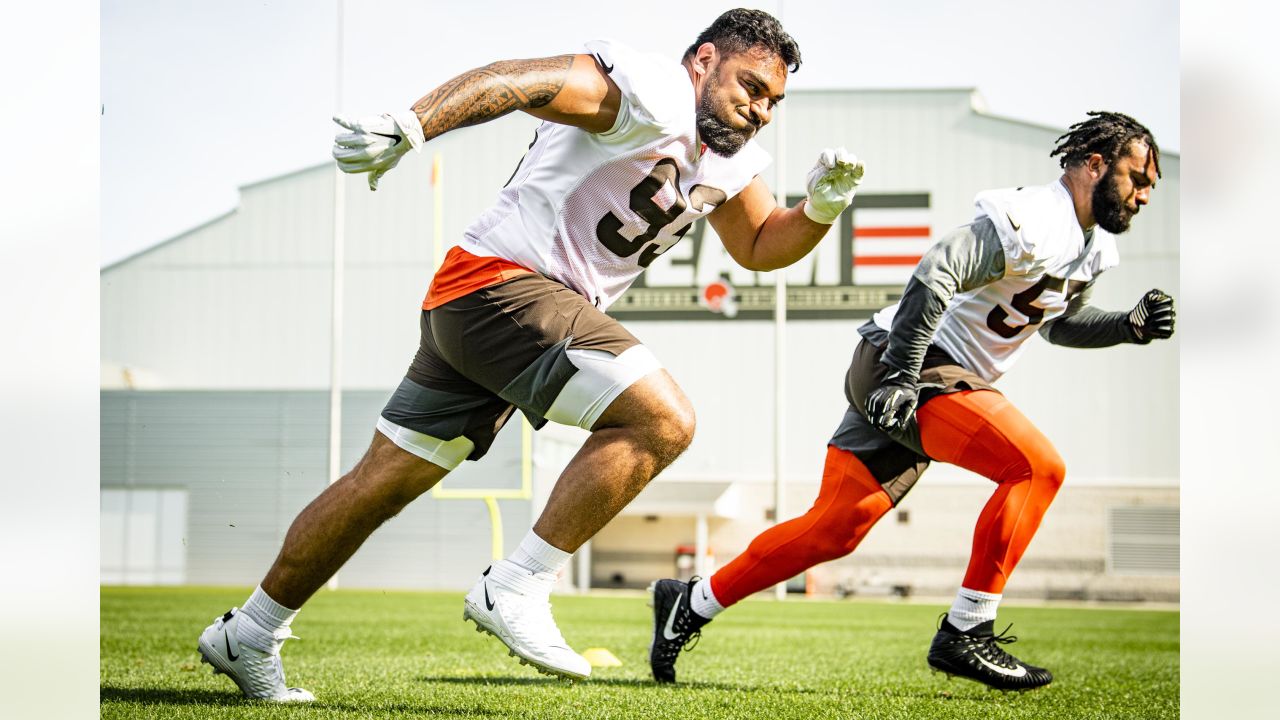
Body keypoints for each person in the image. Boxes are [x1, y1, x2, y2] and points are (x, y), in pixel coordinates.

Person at [196, 8, 865, 701]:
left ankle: (250, 632)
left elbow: (759, 246)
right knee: (662, 420)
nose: (757, 110)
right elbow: (514, 81)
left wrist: (820, 207)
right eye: (749, 86)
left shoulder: (726, 156)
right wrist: (415, 123)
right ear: (702, 62)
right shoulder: (653, 90)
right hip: (502, 288)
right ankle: (517, 586)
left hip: (494, 308)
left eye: (772, 101)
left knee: (380, 484)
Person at [647, 111, 1175, 691]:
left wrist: (1128, 325)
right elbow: (936, 271)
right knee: (1035, 467)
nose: (1146, 193)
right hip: (912, 364)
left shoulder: (1090, 248)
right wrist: (902, 373)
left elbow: (1057, 324)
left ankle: (690, 602)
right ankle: (966, 630)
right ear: (1094, 165)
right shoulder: (1036, 218)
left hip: (926, 373)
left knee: (834, 530)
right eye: (1137, 177)